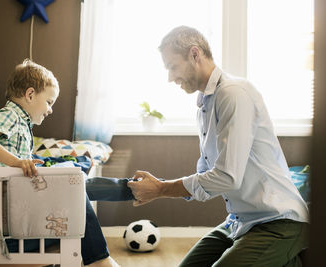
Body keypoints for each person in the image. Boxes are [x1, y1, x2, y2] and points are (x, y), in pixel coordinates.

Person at [127, 26, 309, 267]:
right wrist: (157, 186)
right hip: (239, 221)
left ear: (195, 54)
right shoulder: (205, 102)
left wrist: (161, 189)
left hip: (278, 221)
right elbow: (206, 173)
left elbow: (226, 177)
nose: (170, 78)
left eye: (172, 67)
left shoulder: (234, 94)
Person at [0, 59, 133, 267]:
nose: (51, 109)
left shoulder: (22, 123)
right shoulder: (11, 114)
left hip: (19, 199)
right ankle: (129, 192)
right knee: (75, 189)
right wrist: (17, 162)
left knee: (73, 181)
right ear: (30, 94)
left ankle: (127, 189)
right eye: (49, 102)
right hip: (8, 207)